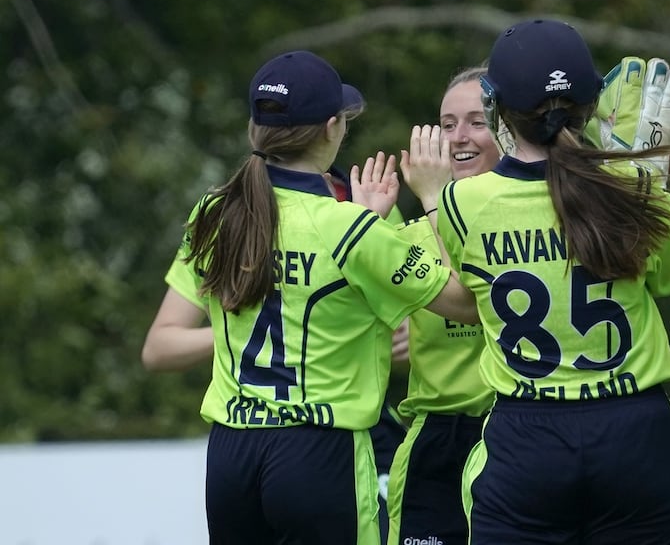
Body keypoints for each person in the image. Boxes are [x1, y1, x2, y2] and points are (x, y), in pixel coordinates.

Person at [141, 49, 477, 545]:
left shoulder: (215, 210)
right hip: (319, 451)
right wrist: (431, 201)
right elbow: (462, 303)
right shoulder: (349, 226)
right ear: (331, 128)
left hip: (232, 456)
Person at [434, 19, 670, 544]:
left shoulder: (459, 203)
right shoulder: (632, 186)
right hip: (634, 433)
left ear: (496, 107)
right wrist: (652, 183)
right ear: (592, 103)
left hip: (527, 436)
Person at [384, 67, 500, 545]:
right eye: (447, 124)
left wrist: (435, 199)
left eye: (477, 121)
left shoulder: (543, 222)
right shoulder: (407, 236)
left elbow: (476, 297)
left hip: (514, 428)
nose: (458, 137)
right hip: (437, 441)